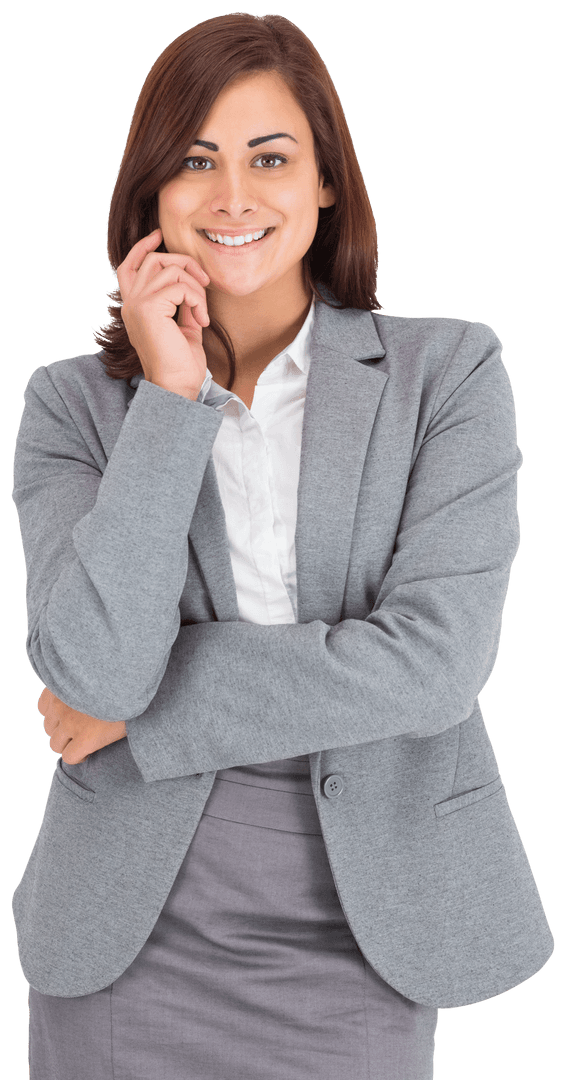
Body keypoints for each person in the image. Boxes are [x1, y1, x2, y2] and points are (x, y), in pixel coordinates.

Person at [10, 11, 554, 1080]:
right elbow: (97, 667)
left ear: (323, 186)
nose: (232, 197)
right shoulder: (69, 406)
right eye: (195, 163)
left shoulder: (447, 375)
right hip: (126, 929)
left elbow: (434, 663)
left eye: (270, 158)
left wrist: (145, 712)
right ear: (149, 199)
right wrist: (170, 400)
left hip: (362, 920)